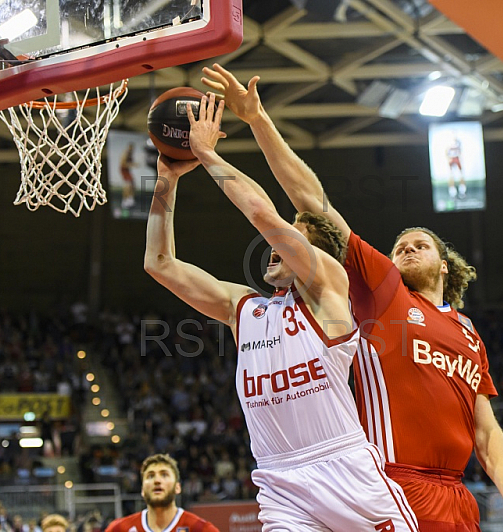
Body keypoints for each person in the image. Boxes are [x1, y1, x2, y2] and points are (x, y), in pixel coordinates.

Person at [200, 64, 503, 531]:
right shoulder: (384, 291)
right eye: (399, 246)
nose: (405, 247)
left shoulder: (468, 332)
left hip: (457, 494)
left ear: (445, 265)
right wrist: (258, 120)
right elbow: (313, 202)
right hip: (394, 482)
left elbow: (485, 426)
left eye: (420, 244)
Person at [144, 92, 417, 531]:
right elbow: (159, 264)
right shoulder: (244, 309)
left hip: (345, 469)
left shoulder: (330, 287)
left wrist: (207, 154)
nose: (276, 244)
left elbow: (261, 214)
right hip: (279, 480)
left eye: (292, 238)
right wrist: (165, 183)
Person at [105, 454, 218, 532]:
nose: (157, 480)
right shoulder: (119, 529)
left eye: (164, 475)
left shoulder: (200, 529)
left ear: (177, 488)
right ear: (143, 491)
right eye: (150, 476)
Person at [445, 135, 466, 199]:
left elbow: (460, 152)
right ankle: (452, 192)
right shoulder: (448, 144)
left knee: (461, 175)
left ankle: (462, 191)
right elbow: (446, 152)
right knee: (451, 175)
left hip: (457, 159)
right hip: (452, 160)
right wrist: (449, 159)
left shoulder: (458, 144)